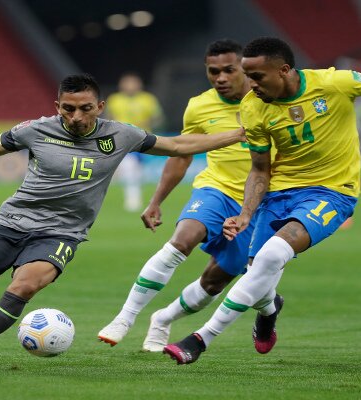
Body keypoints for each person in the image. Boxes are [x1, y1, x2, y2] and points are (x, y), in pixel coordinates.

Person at [0, 73, 246, 375]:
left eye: (84, 109)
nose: (76, 117)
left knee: (25, 286)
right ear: (57, 105)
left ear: (100, 106)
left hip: (62, 233)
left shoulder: (122, 134)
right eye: (67, 109)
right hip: (10, 223)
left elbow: (178, 145)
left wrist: (239, 133)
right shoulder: (36, 129)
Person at [163, 38, 361, 364]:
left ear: (284, 70)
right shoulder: (252, 107)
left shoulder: (333, 83)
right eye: (248, 76)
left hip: (332, 192)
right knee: (258, 278)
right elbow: (260, 169)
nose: (251, 84)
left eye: (258, 76)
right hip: (278, 194)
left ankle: (199, 339)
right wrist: (246, 214)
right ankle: (269, 309)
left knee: (272, 256)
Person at [98, 39, 272, 353]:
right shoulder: (200, 105)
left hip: (259, 205)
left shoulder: (271, 102)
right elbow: (181, 156)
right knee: (182, 239)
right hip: (216, 189)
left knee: (213, 281)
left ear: (244, 69)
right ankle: (124, 318)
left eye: (228, 70)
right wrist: (156, 201)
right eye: (213, 71)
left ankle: (163, 318)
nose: (220, 77)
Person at [105, 72, 165, 211]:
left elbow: (158, 118)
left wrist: (148, 123)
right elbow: (108, 118)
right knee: (130, 166)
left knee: (136, 170)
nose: (130, 86)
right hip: (122, 139)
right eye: (127, 83)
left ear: (139, 84)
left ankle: (134, 195)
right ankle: (132, 198)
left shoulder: (148, 99)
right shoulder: (115, 99)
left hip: (144, 139)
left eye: (133, 83)